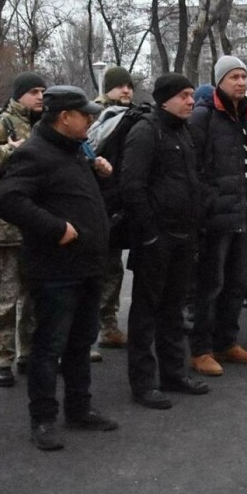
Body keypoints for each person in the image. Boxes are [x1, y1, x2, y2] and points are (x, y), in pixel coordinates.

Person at [0, 86, 120, 450]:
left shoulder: (74, 150)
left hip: (87, 265)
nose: (91, 120)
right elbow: (9, 200)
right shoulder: (35, 152)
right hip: (55, 269)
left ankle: (79, 408)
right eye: (85, 114)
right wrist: (56, 228)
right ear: (65, 117)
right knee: (49, 346)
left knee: (81, 342)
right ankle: (43, 418)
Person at [120, 73, 210, 408]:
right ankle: (143, 383)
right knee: (145, 312)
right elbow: (132, 186)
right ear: (164, 99)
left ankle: (173, 373)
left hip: (183, 236)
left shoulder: (183, 132)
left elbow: (191, 181)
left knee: (173, 309)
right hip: (155, 240)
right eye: (184, 95)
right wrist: (149, 234)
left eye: (191, 95)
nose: (190, 101)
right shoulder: (146, 131)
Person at [188, 56, 247, 376]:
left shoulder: (246, 116)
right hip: (215, 220)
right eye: (234, 77)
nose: (241, 82)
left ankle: (226, 341)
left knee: (237, 283)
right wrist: (207, 205)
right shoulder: (204, 116)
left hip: (244, 214)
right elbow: (193, 167)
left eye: (244, 76)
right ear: (219, 81)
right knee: (210, 286)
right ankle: (201, 349)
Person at [0, 72, 46, 389]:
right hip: (5, 229)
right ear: (18, 95)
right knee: (6, 299)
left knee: (34, 298)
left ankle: (28, 353)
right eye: (34, 91)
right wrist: (9, 149)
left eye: (43, 91)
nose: (40, 97)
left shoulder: (45, 128)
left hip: (38, 227)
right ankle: (2, 358)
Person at [94, 66, 135, 350]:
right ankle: (93, 327)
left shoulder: (131, 116)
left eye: (129, 86)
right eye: (120, 86)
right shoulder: (98, 117)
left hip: (120, 200)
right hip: (99, 200)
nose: (126, 90)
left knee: (114, 267)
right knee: (100, 267)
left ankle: (108, 324)